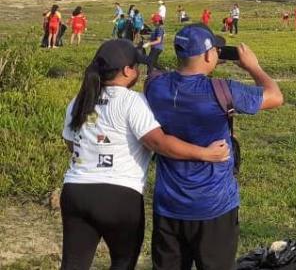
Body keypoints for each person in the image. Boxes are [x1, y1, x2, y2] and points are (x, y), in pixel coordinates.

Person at [59, 39, 230, 270]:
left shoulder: (78, 101)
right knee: (122, 262)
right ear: (128, 71)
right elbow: (159, 143)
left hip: (75, 192)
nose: (139, 71)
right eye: (137, 66)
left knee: (73, 265)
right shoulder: (132, 101)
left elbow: (71, 143)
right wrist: (205, 154)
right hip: (119, 197)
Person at [145, 25, 283, 269]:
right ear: (209, 55)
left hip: (168, 205)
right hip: (214, 205)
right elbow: (275, 96)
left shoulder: (155, 86)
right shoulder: (222, 89)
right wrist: (253, 66)